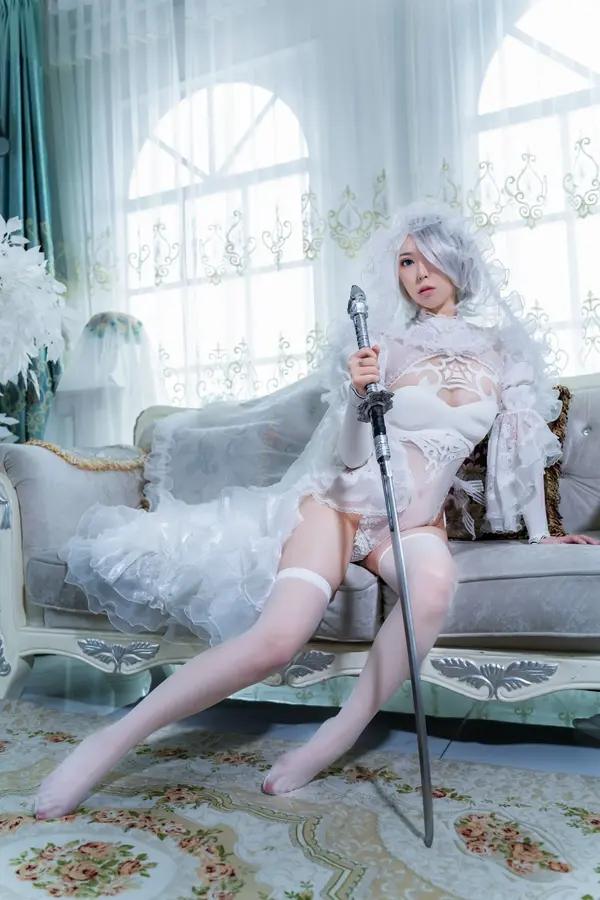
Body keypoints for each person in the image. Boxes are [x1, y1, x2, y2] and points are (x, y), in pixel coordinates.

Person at [34, 203, 599, 821]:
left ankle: (338, 733)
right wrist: (360, 396)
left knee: (434, 587)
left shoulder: (504, 355)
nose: (418, 274)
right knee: (276, 641)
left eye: (429, 259)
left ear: (459, 261)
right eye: (405, 262)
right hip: (341, 508)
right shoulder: (384, 347)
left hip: (412, 524)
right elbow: (351, 454)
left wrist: (544, 534)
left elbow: (518, 456)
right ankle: (110, 741)